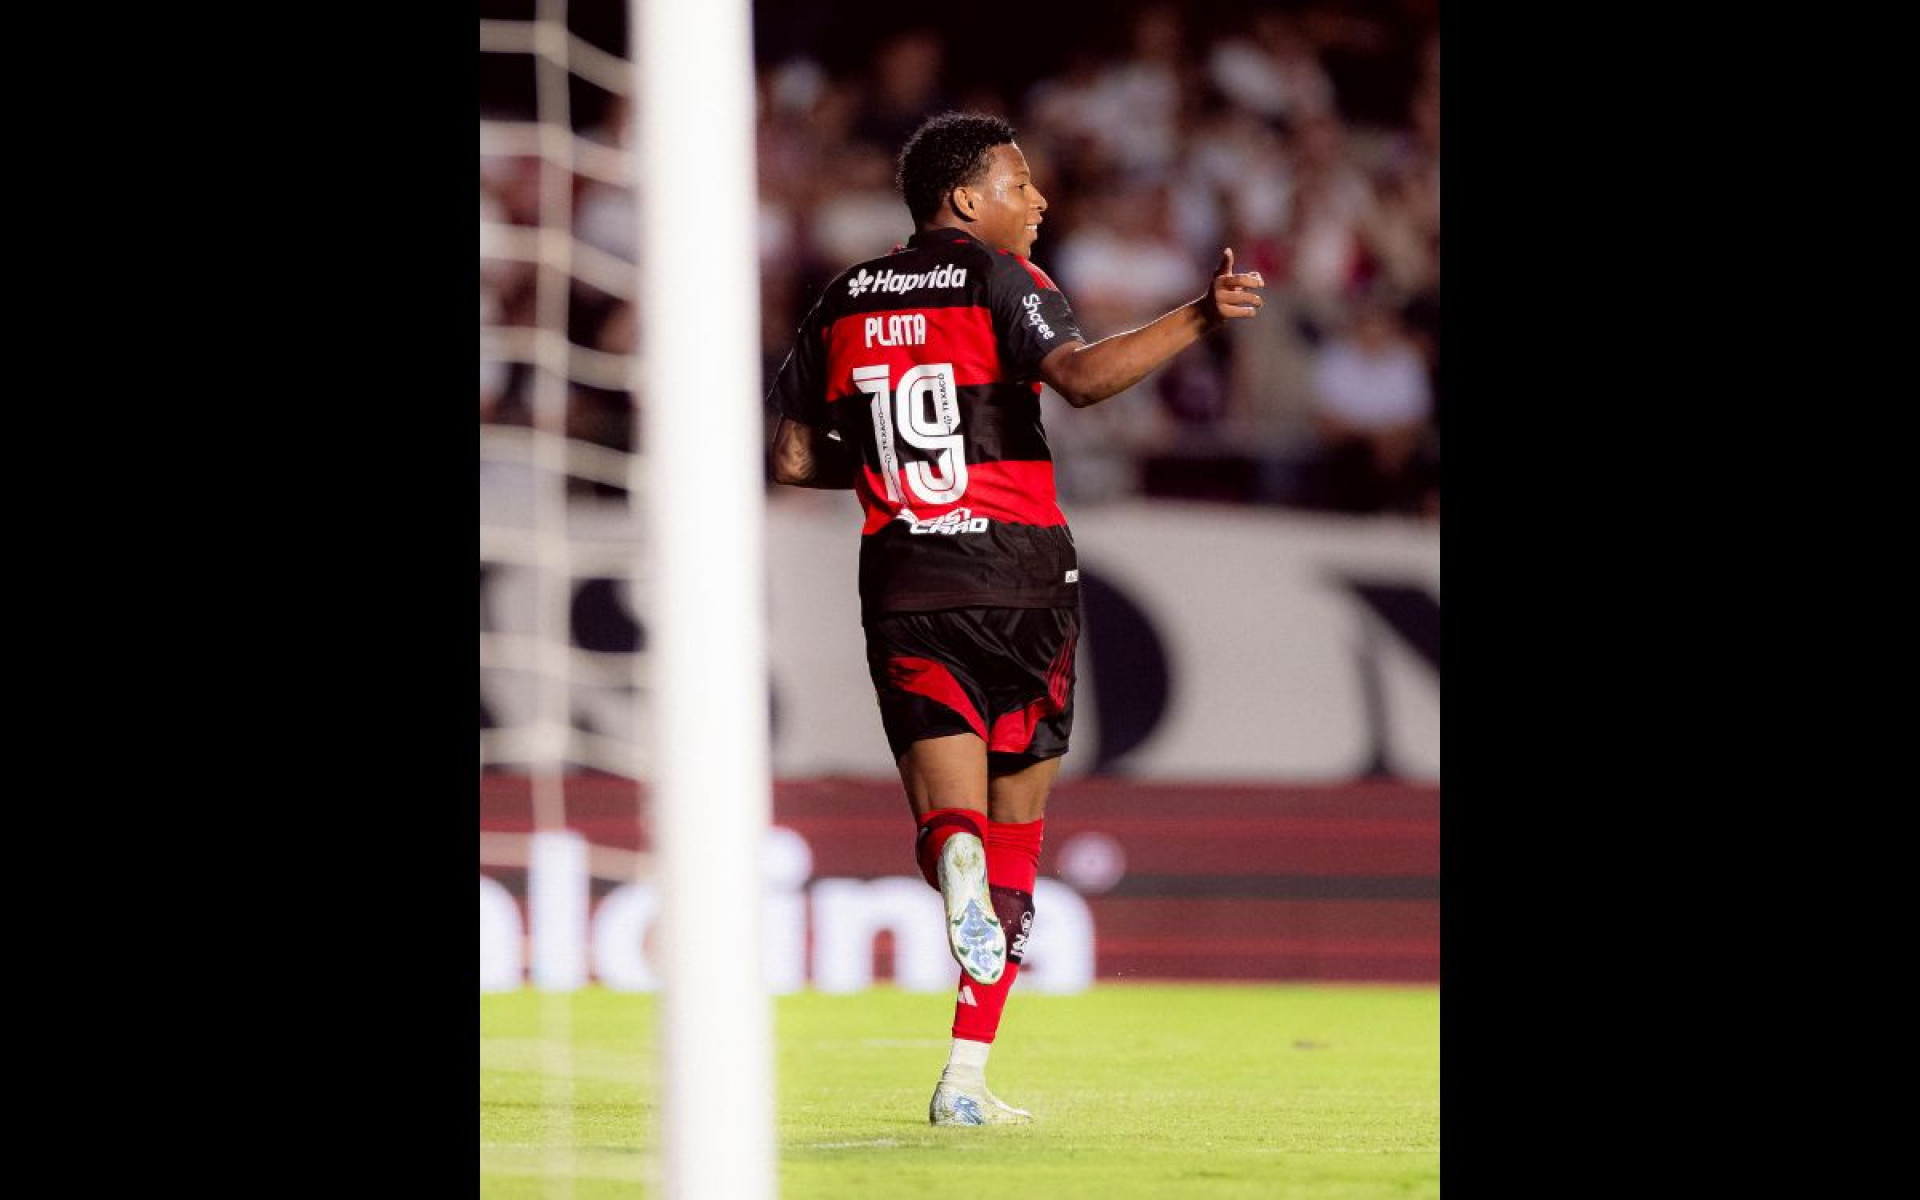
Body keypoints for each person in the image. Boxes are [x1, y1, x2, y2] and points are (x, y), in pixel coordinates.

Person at [767, 111, 1265, 1126]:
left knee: (949, 820)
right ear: (965, 199)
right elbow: (1080, 380)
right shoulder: (1004, 279)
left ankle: (951, 872)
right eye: (1019, 183)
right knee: (1017, 840)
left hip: (906, 580)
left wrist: (895, 461)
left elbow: (792, 457)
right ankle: (963, 1077)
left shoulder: (843, 298)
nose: (1038, 201)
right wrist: (1198, 319)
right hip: (1020, 575)